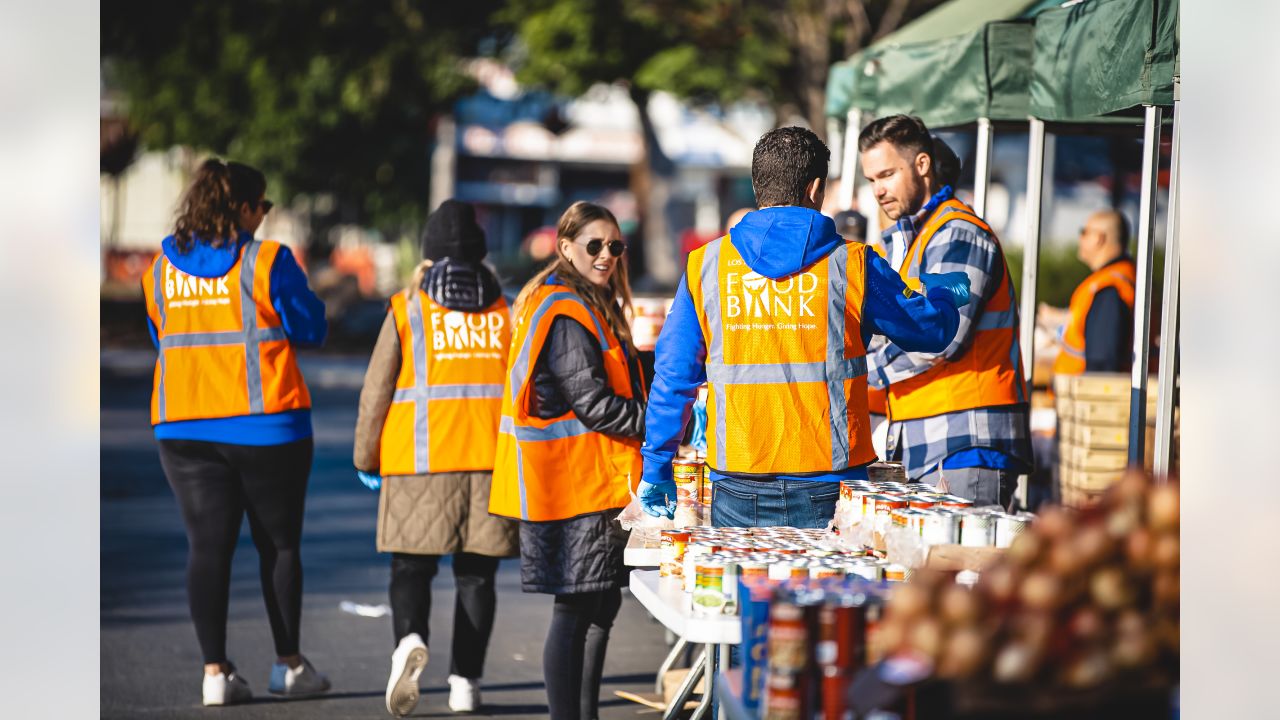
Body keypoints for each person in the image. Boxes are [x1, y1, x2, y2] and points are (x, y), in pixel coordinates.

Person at [639, 126, 970, 528]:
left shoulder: (705, 265)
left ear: (758, 187)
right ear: (816, 189)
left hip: (739, 482)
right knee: (829, 592)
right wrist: (942, 294)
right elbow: (930, 332)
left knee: (743, 590)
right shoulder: (854, 264)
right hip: (831, 484)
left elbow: (673, 375)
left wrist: (656, 464)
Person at [141, 159, 330, 706]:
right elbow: (310, 327)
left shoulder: (160, 268)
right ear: (244, 209)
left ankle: (215, 674)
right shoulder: (266, 260)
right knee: (279, 546)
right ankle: (289, 666)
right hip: (267, 424)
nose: (265, 216)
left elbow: (161, 335)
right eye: (263, 206)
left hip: (182, 426)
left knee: (207, 548)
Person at [352, 200, 519, 717]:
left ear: (427, 256)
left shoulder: (407, 308)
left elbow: (377, 390)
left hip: (417, 461)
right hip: (491, 465)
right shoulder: (507, 311)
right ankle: (466, 682)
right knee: (476, 578)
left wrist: (365, 456)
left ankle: (409, 639)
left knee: (410, 568)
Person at [488, 202, 646, 720]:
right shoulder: (566, 310)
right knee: (578, 609)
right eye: (594, 246)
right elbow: (595, 404)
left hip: (590, 482)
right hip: (577, 485)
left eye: (614, 246)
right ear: (565, 248)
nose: (606, 256)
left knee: (600, 604)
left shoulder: (585, 303)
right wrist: (666, 423)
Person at [858, 115, 1033, 507]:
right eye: (871, 180)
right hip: (934, 442)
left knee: (966, 568)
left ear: (922, 165)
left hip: (965, 443)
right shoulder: (919, 239)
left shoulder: (956, 235)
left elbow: (943, 335)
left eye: (886, 174)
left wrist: (854, 370)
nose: (878, 191)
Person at [1046, 209, 1137, 374]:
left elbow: (1102, 365)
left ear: (1098, 238)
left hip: (1088, 396)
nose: (1080, 238)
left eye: (1084, 232)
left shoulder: (1109, 290)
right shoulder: (1118, 278)